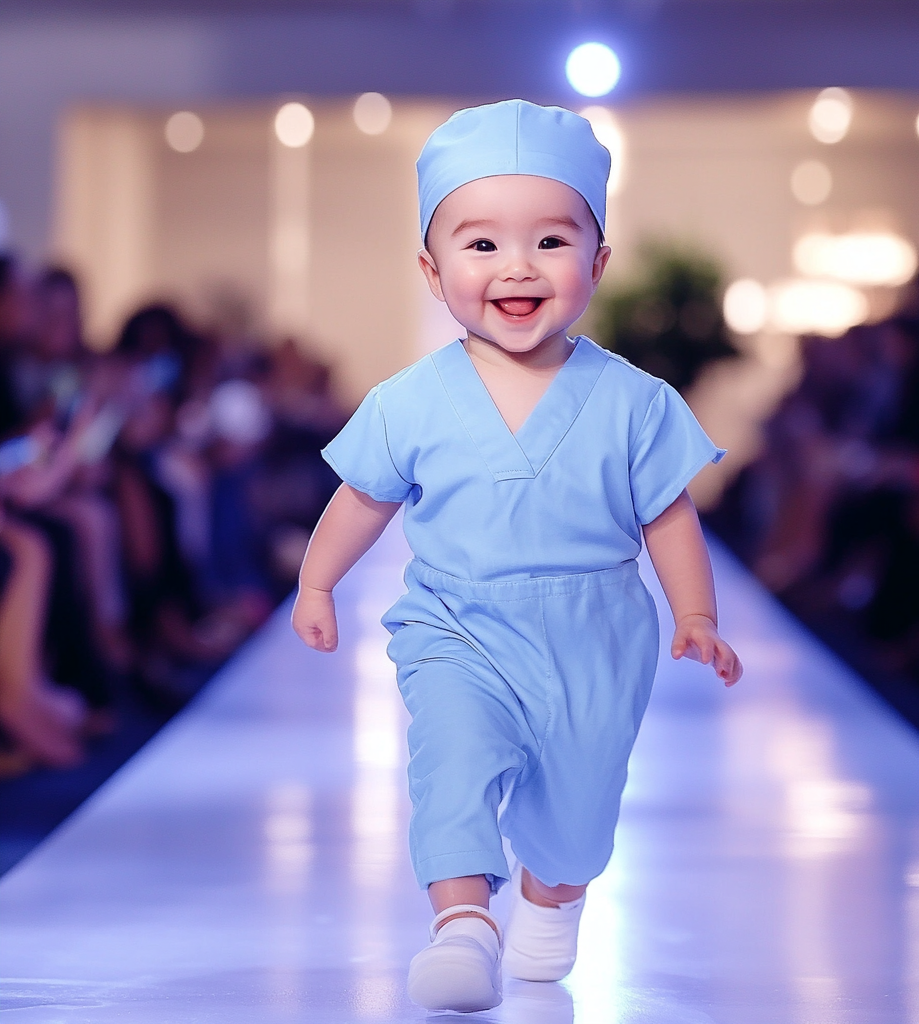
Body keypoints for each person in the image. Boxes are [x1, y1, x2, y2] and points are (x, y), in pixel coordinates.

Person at [291, 99, 742, 1013]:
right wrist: (316, 578)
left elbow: (669, 519)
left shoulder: (634, 402)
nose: (518, 267)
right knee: (451, 761)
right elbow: (362, 499)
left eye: (550, 240)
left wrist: (695, 614)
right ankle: (463, 925)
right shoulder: (409, 401)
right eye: (482, 245)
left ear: (598, 261)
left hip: (597, 636)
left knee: (577, 812)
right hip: (458, 624)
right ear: (432, 268)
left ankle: (554, 891)